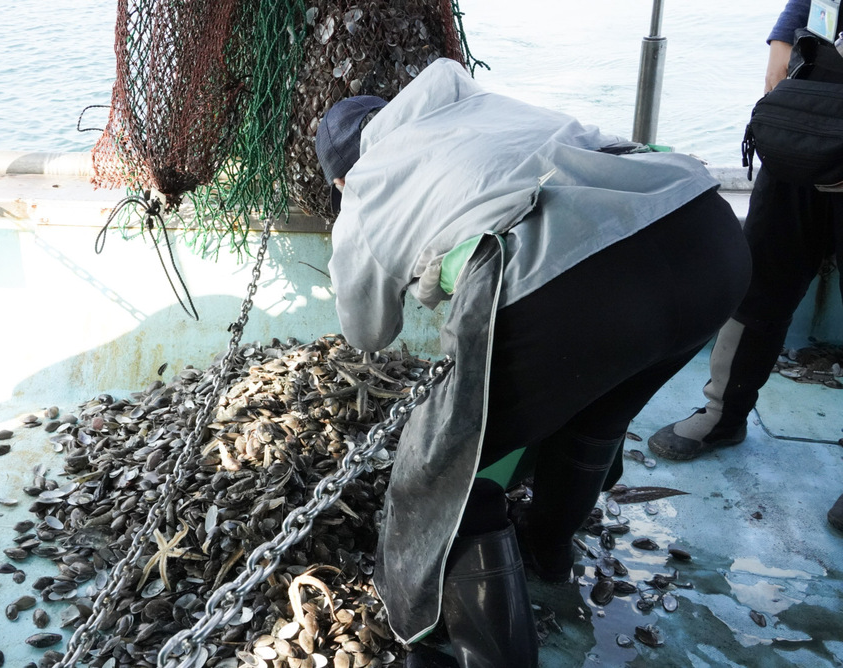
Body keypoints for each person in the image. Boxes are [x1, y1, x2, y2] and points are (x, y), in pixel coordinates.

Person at [315, 58, 751, 668]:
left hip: (578, 283)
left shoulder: (365, 184)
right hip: (707, 238)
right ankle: (547, 551)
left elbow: (367, 331)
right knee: (596, 409)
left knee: (447, 477)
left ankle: (484, 654)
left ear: (340, 177)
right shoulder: (473, 106)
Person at [646, 0, 843, 534]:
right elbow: (785, 49)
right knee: (755, 287)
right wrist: (796, 133)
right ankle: (722, 415)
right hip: (805, 149)